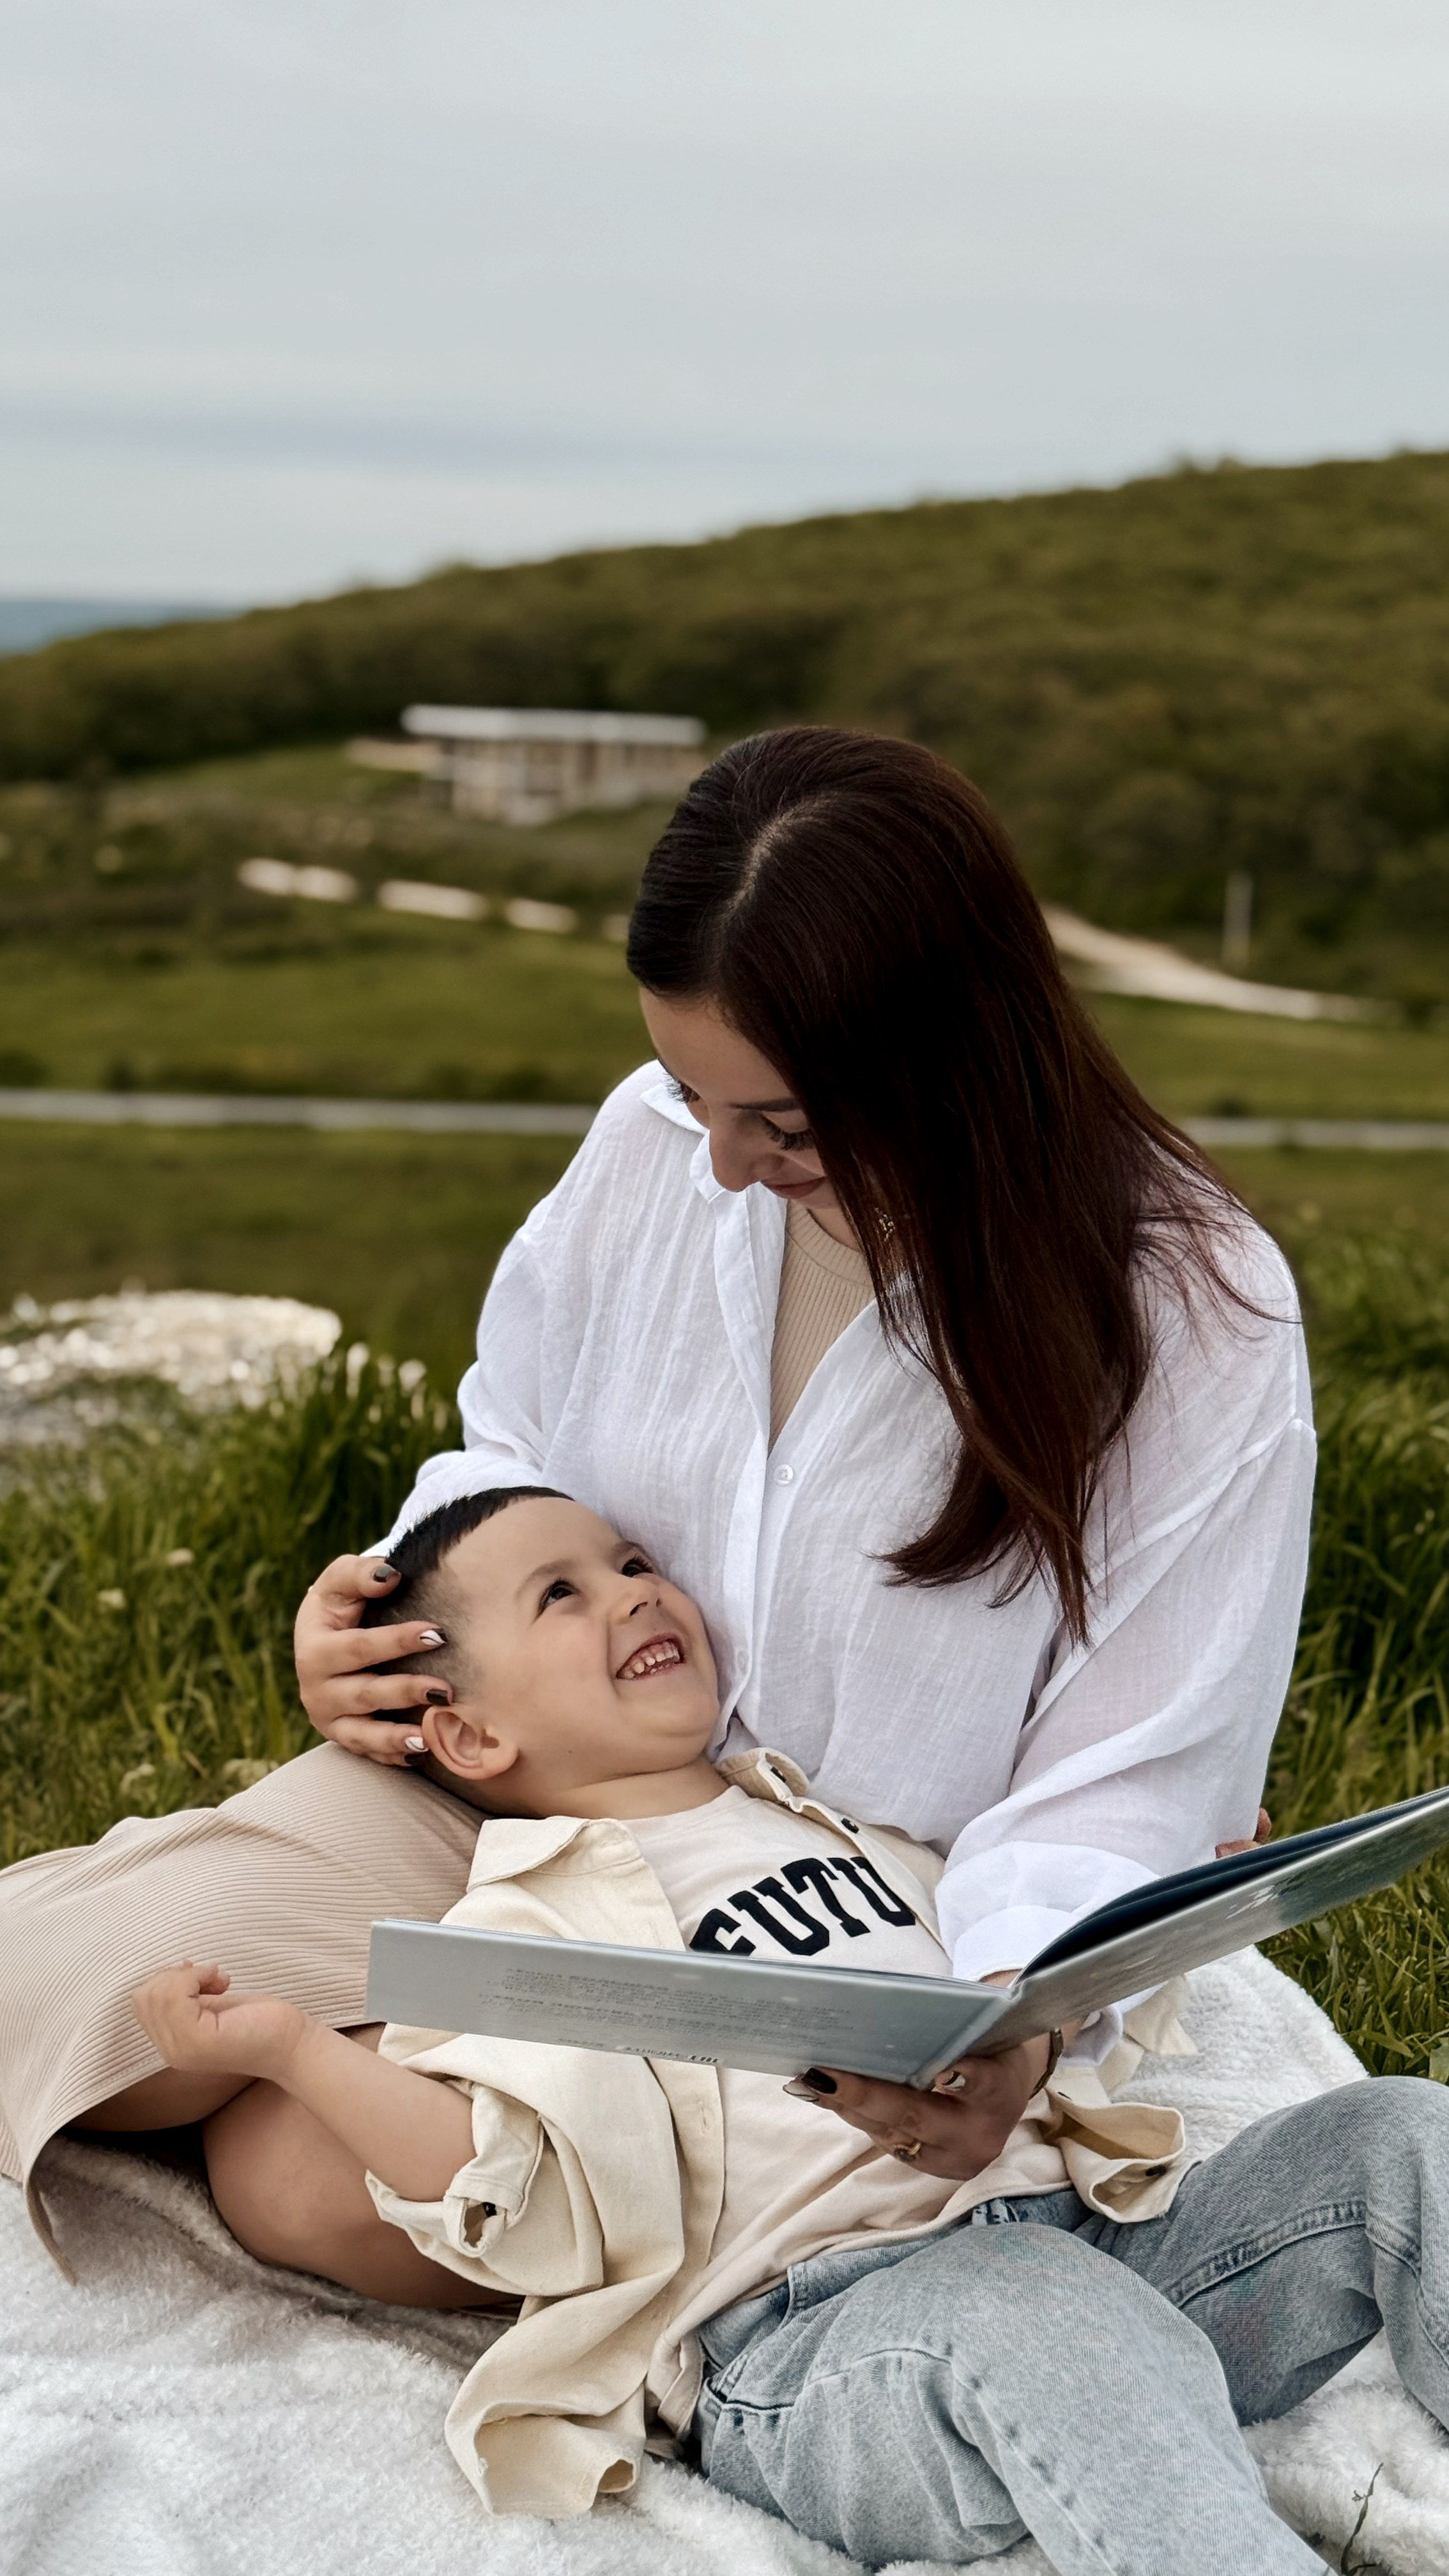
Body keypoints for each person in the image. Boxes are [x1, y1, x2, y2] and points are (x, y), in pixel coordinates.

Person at [0, 726, 1312, 2267]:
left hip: (863, 1930)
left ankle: (647, 2189)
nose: (726, 1164)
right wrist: (390, 1619)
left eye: (790, 1125)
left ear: (963, 1059)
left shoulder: (1194, 1307)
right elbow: (513, 1443)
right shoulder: (662, 1145)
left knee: (294, 2178)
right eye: (695, 1094)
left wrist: (1012, 2025)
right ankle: (474, 2072)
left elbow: (1137, 1769)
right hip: (527, 1796)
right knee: (66, 1986)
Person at [133, 1487, 1449, 2576]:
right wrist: (290, 2052)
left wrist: (1187, 1886)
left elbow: (1049, 1986)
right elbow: (491, 2166)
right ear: (470, 1732)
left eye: (634, 1560)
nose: (635, 1591)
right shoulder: (530, 1926)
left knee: (1403, 2133)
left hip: (1106, 2258)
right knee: (1029, 2306)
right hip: (820, 2359)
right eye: (563, 1595)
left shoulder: (845, 1822)